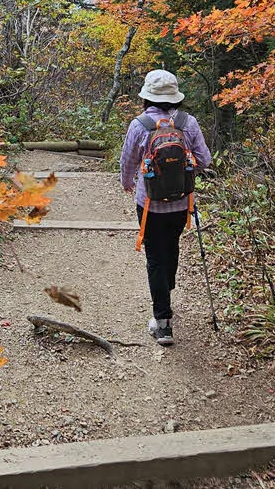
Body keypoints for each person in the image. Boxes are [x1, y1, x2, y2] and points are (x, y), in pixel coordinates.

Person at [119, 69, 211, 346]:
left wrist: (127, 182)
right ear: (175, 96)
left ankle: (163, 323)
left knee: (155, 258)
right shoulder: (187, 122)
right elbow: (204, 160)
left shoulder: (140, 124)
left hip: (149, 204)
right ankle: (166, 292)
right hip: (181, 202)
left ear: (147, 97)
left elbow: (128, 160)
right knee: (171, 248)